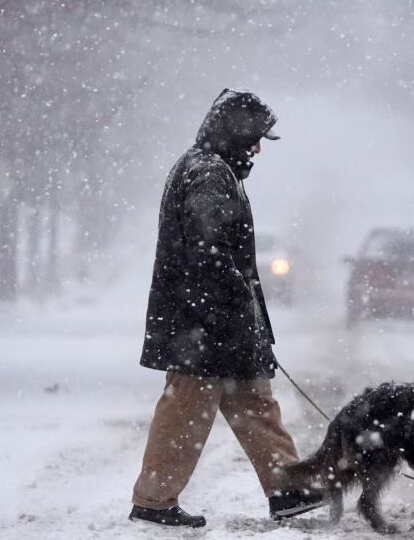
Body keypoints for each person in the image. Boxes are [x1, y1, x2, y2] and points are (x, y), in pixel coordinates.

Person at [129, 89, 324, 528]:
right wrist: (234, 307)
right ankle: (154, 501)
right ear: (233, 133)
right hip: (202, 324)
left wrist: (247, 321)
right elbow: (208, 251)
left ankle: (287, 489)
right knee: (186, 411)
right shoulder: (207, 174)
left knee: (254, 403)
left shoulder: (213, 169)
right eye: (253, 138)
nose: (257, 148)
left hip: (216, 322)